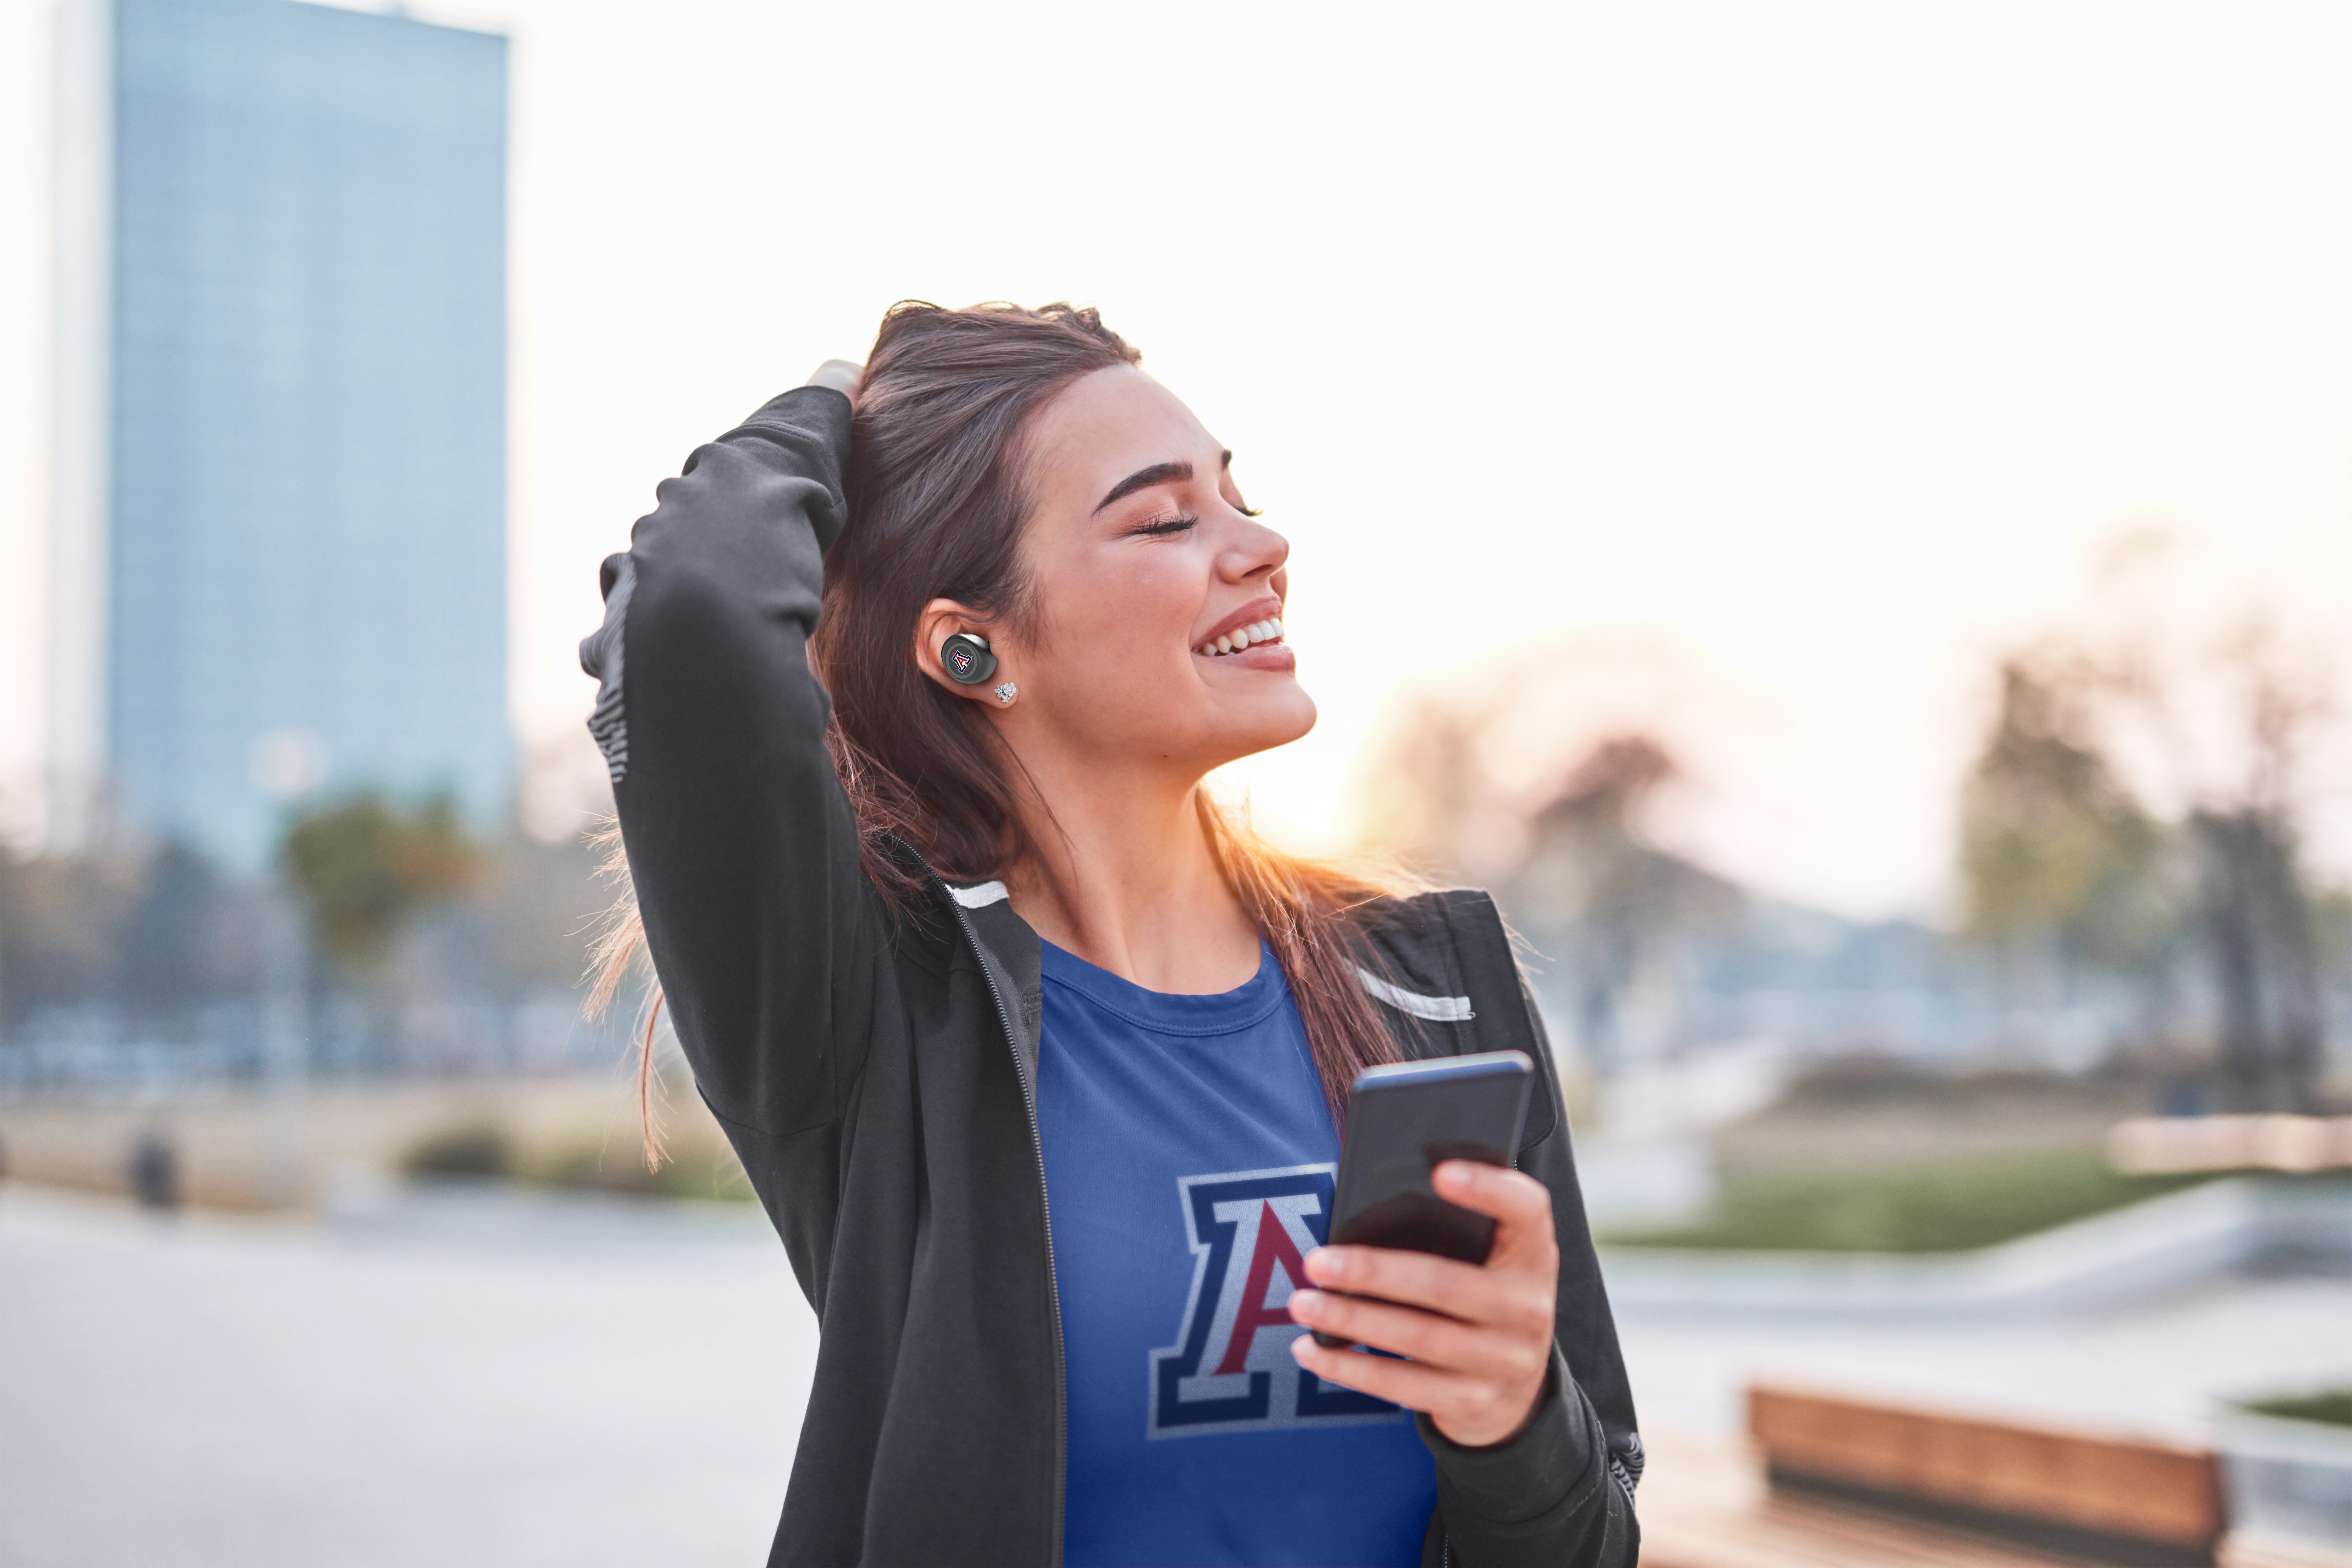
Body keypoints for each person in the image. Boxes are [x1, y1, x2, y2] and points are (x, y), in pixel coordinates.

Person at [583, 302, 1641, 1567]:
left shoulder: (1427, 985)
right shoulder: (873, 1014)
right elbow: (692, 607)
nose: (1262, 544)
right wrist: (847, 395)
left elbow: (1591, 1543)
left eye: (1238, 494)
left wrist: (1513, 1418)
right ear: (970, 647)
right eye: (1166, 517)